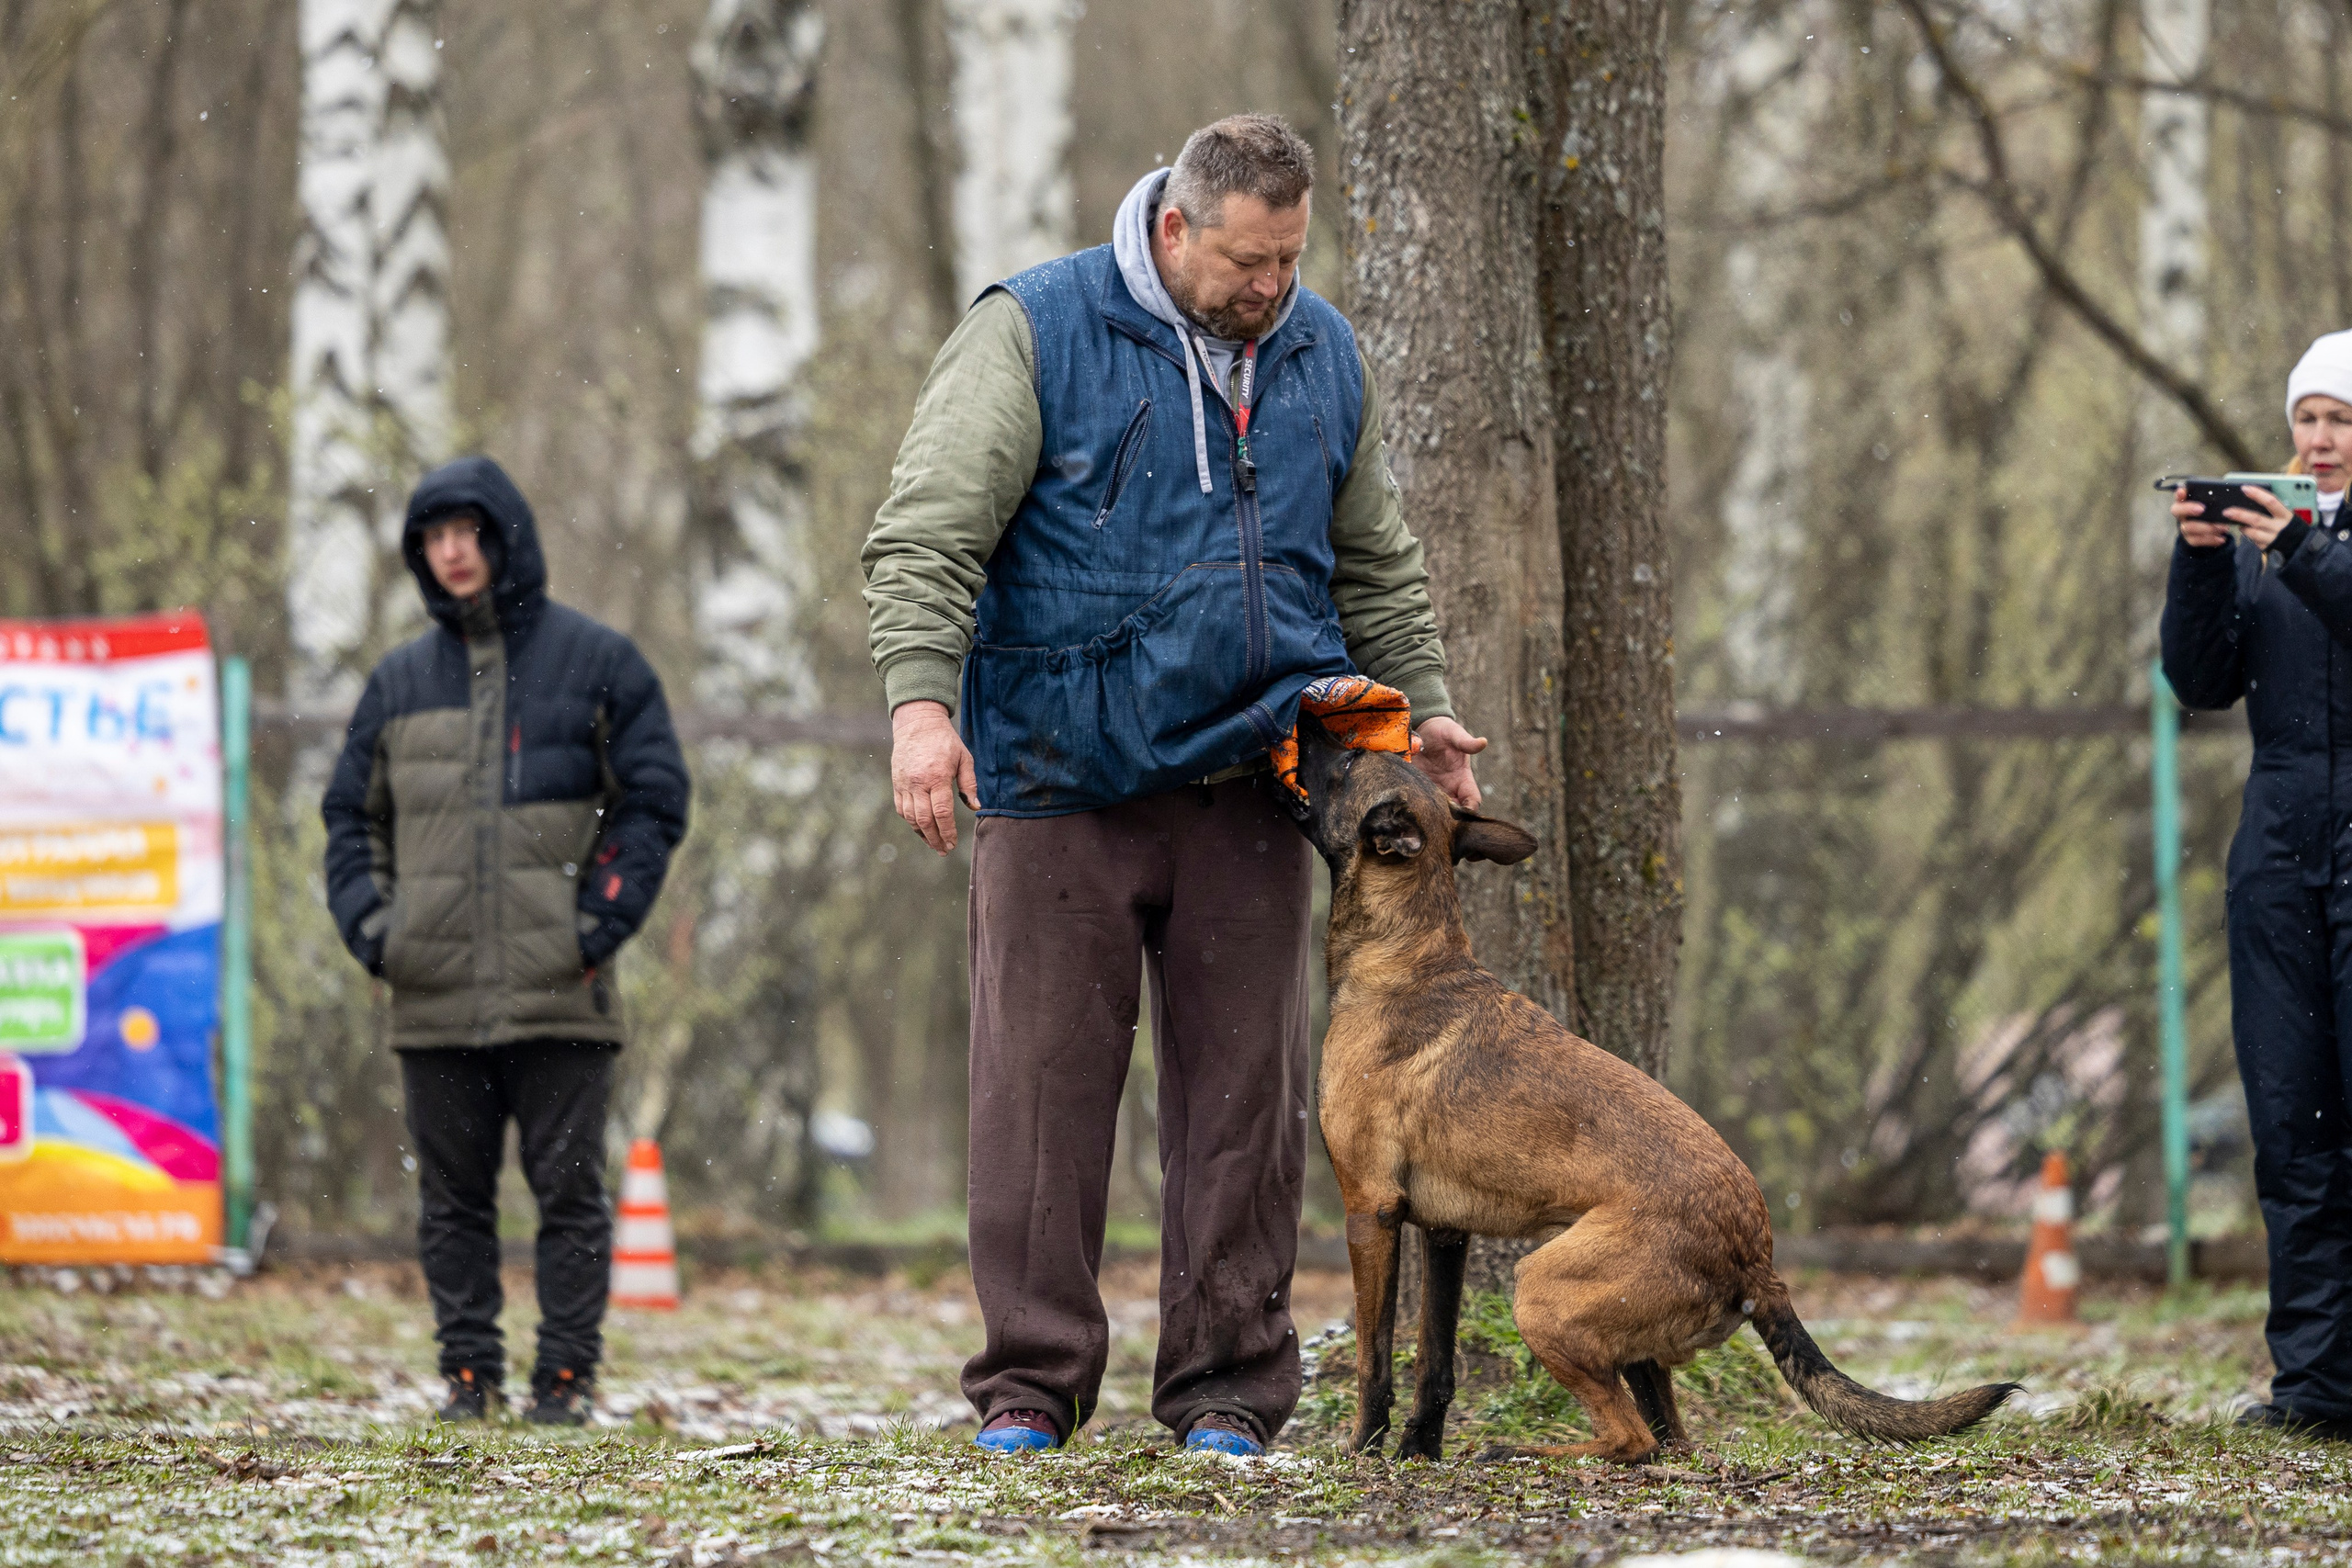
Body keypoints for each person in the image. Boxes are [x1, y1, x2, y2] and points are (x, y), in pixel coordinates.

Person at [862, 113, 1482, 1457]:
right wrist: (922, 709)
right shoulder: (1035, 329)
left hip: (1255, 777)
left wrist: (1423, 705)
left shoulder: (1321, 351)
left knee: (1243, 1110)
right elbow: (926, 533)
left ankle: (1226, 1391)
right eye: (1250, 261)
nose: (1272, 287)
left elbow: (1374, 557)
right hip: (1056, 773)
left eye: (1292, 259)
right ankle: (1030, 1384)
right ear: (1173, 228)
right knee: (1039, 1097)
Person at [322, 456, 690, 1427]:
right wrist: (376, 930)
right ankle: (468, 1380)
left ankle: (564, 1382)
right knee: (452, 1205)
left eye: (466, 530)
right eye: (432, 536)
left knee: (569, 1197)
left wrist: (599, 921)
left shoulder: (598, 664)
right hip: (432, 993)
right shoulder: (398, 683)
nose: (450, 551)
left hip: (560, 988)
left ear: (505, 536)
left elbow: (653, 801)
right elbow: (348, 819)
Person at [2163, 330, 2352, 1442]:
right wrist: (2200, 556)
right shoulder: (2257, 540)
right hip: (2277, 849)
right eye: (2307, 418)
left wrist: (2306, 553)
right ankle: (2319, 1390)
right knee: (2292, 1124)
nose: (2318, 440)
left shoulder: (2302, 546)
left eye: (2340, 421)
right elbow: (2197, 680)